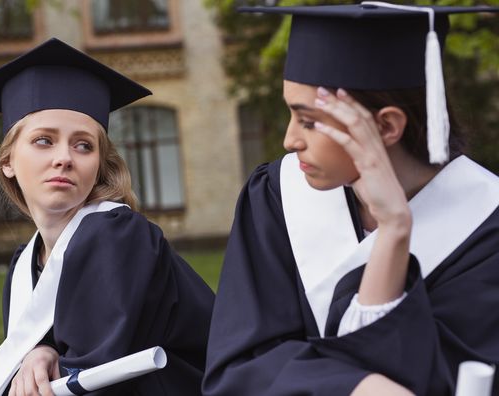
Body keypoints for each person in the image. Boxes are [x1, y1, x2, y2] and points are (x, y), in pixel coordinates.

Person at [203, 3, 499, 396]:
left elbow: (455, 379)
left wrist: (394, 229)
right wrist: (357, 388)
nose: (289, 141)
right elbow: (241, 367)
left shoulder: (486, 225)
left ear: (387, 126)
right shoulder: (276, 196)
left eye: (308, 121)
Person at [0, 38, 214, 396]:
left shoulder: (115, 236)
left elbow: (96, 377)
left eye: (83, 145)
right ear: (8, 162)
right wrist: (40, 353)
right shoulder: (25, 266)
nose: (64, 157)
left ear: (99, 165)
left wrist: (47, 359)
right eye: (44, 140)